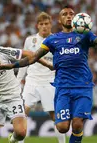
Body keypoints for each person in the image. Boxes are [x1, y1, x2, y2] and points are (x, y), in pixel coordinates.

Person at [0, 5, 97, 143]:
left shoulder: (84, 35)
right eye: (65, 14)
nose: (68, 16)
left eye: (71, 14)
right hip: (62, 88)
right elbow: (33, 57)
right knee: (62, 127)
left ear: (75, 18)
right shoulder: (52, 40)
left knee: (77, 123)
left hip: (82, 86)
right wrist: (12, 66)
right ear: (59, 20)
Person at [0, 27, 51, 143]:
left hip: (12, 96)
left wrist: (48, 65)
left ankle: (12, 139)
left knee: (21, 133)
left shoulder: (0, 51)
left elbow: (31, 54)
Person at [17, 12, 66, 143]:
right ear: (37, 26)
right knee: (22, 113)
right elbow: (25, 62)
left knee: (55, 117)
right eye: (41, 24)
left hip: (50, 82)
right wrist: (17, 81)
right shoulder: (30, 40)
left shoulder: (57, 40)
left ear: (51, 25)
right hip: (32, 80)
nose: (44, 26)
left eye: (46, 24)